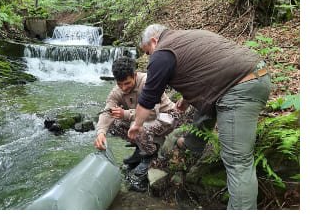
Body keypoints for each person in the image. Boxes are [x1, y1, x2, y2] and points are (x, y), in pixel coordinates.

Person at [129, 24, 271, 209]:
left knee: (238, 162)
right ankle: (192, 145)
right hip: (251, 76)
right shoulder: (185, 37)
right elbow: (207, 70)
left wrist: (137, 125)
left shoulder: (162, 52)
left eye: (147, 52)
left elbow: (149, 97)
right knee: (205, 107)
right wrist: (187, 100)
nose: (149, 57)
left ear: (154, 41)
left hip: (241, 87)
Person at [94, 56, 181, 192]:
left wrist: (126, 114)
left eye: (127, 83)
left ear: (134, 75)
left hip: (168, 116)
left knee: (140, 127)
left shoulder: (148, 82)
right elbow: (107, 112)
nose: (124, 88)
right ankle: (140, 149)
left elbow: (152, 112)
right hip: (146, 119)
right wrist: (100, 132)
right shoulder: (117, 91)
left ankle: (149, 156)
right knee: (113, 124)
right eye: (120, 84)